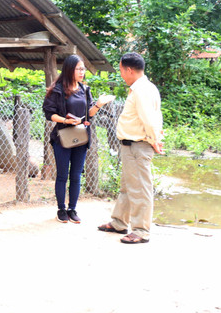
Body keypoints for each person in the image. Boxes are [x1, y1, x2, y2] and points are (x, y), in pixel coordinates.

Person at [98, 52, 164, 244]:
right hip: (131, 145)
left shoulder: (142, 89)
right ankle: (119, 222)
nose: (121, 75)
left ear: (128, 69)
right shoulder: (141, 88)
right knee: (127, 186)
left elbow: (149, 119)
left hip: (138, 145)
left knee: (140, 189)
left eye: (120, 71)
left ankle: (141, 231)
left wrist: (154, 141)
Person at [42, 54, 111, 224]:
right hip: (63, 137)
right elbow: (49, 114)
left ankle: (72, 208)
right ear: (69, 69)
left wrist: (99, 104)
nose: (82, 72)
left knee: (76, 175)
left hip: (81, 137)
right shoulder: (57, 90)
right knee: (62, 175)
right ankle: (61, 209)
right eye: (79, 68)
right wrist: (66, 120)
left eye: (83, 69)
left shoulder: (85, 90)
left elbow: (89, 114)